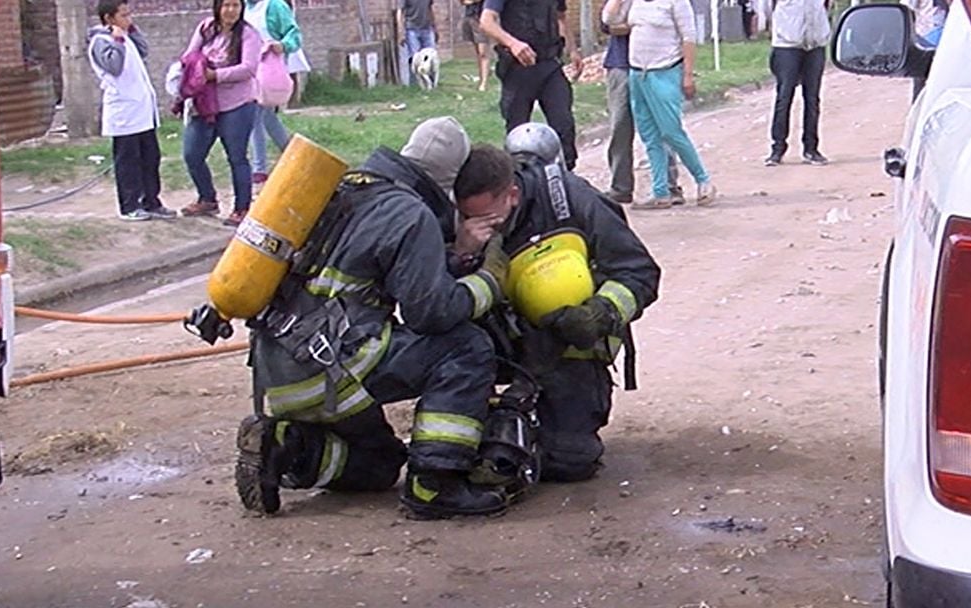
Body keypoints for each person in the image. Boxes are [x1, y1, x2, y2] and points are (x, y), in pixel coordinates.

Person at [237, 117, 512, 520]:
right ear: (449, 185)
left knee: (381, 466)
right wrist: (488, 280)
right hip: (331, 365)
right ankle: (435, 485)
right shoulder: (411, 214)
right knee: (466, 347)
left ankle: (285, 446)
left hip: (277, 372)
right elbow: (432, 312)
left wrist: (452, 257)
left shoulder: (340, 188)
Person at [452, 126, 661, 482]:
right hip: (492, 343)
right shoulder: (453, 215)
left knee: (568, 461)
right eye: (469, 217)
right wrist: (461, 254)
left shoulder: (570, 197)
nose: (479, 226)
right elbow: (431, 299)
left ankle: (557, 420)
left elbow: (639, 272)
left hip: (566, 343)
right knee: (458, 455)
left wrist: (599, 314)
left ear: (512, 195)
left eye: (488, 218)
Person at [603, 0, 717, 208]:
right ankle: (660, 191)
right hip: (638, 74)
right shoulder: (635, 3)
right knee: (650, 135)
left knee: (671, 132)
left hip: (665, 71)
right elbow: (608, 19)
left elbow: (688, 38)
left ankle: (703, 180)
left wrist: (688, 75)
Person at [87, 0, 176, 222]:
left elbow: (143, 50)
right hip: (124, 113)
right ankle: (130, 206)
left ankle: (151, 201)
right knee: (128, 161)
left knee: (150, 158)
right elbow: (114, 66)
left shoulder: (127, 36)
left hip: (142, 110)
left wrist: (132, 30)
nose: (129, 19)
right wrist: (117, 39)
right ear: (109, 19)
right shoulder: (100, 41)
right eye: (124, 16)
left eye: (129, 14)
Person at [179, 0, 261, 227]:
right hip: (204, 104)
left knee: (237, 157)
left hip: (237, 105)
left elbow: (249, 68)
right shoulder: (206, 28)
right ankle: (207, 198)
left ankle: (242, 208)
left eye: (236, 5)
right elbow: (189, 56)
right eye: (226, 5)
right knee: (192, 154)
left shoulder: (248, 34)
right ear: (217, 7)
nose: (231, 10)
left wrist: (215, 75)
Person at [479, 0, 582, 170]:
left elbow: (561, 16)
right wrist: (512, 43)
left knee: (564, 126)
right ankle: (520, 184)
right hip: (518, 68)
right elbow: (487, 21)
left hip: (550, 64)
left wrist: (572, 50)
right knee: (518, 136)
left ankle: (566, 180)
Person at [600, 20, 683, 206]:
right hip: (621, 63)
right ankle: (620, 188)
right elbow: (607, 24)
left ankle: (669, 186)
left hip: (656, 63)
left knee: (663, 125)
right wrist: (642, 25)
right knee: (620, 125)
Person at [763, 0, 831, 166]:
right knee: (784, 97)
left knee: (812, 98)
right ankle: (777, 149)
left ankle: (811, 149)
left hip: (815, 44)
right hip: (786, 44)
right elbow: (767, 8)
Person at [243, 0, 301, 184]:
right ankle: (291, 153)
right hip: (249, 68)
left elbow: (294, 35)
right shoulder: (242, 7)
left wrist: (282, 45)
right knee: (266, 115)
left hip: (269, 68)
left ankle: (260, 167)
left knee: (256, 113)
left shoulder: (275, 6)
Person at [397, 0, 438, 85]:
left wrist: (435, 27)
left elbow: (430, 9)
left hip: (427, 28)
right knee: (414, 58)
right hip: (412, 29)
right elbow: (400, 12)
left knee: (431, 57)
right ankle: (414, 83)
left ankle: (431, 83)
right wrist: (400, 32)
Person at [461, 0, 491, 92]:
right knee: (478, 52)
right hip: (469, 17)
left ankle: (484, 83)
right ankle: (482, 76)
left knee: (483, 53)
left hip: (481, 18)